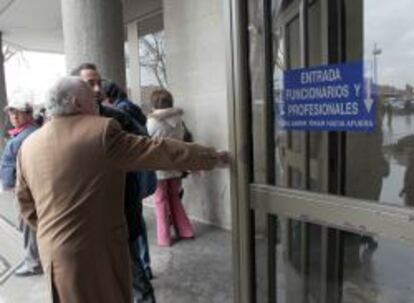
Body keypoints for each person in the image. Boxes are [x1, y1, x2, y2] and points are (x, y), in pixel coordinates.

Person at [16, 76, 228, 303]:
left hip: (55, 255)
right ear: (77, 103)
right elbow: (159, 150)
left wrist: (58, 231)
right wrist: (213, 157)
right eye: (92, 99)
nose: (98, 105)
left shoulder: (28, 145)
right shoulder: (101, 132)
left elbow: (25, 205)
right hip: (99, 254)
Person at [70, 63, 155, 302]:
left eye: (99, 82)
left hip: (121, 216)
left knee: (136, 279)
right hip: (83, 225)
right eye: (90, 83)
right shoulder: (58, 126)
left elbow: (147, 149)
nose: (98, 88)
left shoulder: (118, 117)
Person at [102, 80, 155, 280]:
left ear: (109, 98)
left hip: (134, 172)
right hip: (139, 171)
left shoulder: (120, 112)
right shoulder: (130, 107)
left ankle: (143, 266)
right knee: (136, 220)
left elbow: (139, 143)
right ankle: (144, 265)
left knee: (134, 221)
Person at [147, 89, 195, 247]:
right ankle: (186, 230)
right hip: (175, 165)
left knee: (160, 201)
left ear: (154, 103)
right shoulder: (179, 120)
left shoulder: (152, 122)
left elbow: (147, 142)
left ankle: (164, 238)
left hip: (158, 166)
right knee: (175, 198)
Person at [0, 97, 42, 277]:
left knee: (28, 225)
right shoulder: (29, 132)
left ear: (28, 114)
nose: (14, 116)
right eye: (11, 112)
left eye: (17, 112)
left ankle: (33, 262)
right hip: (30, 189)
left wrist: (10, 185)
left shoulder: (26, 136)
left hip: (26, 191)